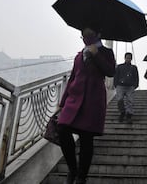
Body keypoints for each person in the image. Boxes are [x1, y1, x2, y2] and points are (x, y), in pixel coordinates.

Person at [57, 27, 116, 184]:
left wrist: (96, 55)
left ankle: (81, 177)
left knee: (86, 138)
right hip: (74, 98)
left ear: (98, 34)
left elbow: (110, 71)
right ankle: (72, 169)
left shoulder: (106, 53)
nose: (85, 37)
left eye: (89, 34)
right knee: (62, 129)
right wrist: (62, 103)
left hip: (93, 99)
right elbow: (72, 78)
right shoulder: (78, 55)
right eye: (83, 35)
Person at [114, 52, 139, 124]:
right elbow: (116, 75)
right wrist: (116, 84)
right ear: (125, 58)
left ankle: (129, 115)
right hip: (120, 86)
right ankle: (122, 112)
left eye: (129, 58)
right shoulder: (119, 66)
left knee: (130, 101)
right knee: (119, 99)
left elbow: (136, 77)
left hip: (130, 86)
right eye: (127, 58)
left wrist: (135, 85)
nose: (128, 59)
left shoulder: (134, 67)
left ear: (131, 59)